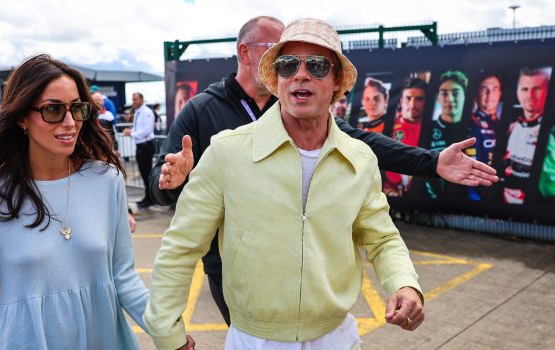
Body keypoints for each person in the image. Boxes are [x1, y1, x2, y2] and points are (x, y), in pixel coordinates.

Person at [150, 16, 498, 326]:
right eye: (286, 63)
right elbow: (179, 242)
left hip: (334, 332)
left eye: (317, 66)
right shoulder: (218, 136)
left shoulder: (353, 155)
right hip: (248, 310)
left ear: (337, 83)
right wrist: (173, 182)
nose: (300, 74)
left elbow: (381, 234)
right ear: (266, 68)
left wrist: (404, 283)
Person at [0, 55, 193, 350]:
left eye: (77, 108)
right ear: (22, 117)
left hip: (102, 339)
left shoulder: (107, 181)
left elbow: (123, 277)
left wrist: (169, 336)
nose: (70, 122)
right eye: (53, 109)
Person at [503, 67, 550, 204]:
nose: (530, 95)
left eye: (537, 88)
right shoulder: (510, 128)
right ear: (518, 93)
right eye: (525, 89)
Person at [425, 70, 469, 199]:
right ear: (438, 98)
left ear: (465, 96)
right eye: (444, 93)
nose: (449, 99)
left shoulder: (476, 128)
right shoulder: (427, 130)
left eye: (455, 93)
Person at [384, 77, 428, 196]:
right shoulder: (387, 128)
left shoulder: (433, 129)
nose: (413, 104)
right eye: (408, 98)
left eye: (419, 99)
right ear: (401, 101)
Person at [466, 73, 502, 201]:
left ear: (500, 94)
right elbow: (470, 169)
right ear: (476, 94)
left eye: (494, 89)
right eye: (484, 89)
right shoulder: (470, 123)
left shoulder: (505, 124)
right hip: (479, 194)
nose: (489, 94)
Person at [123, 92, 155, 208]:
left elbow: (146, 130)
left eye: (136, 99)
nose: (134, 102)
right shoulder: (138, 112)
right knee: (143, 173)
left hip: (146, 146)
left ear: (141, 99)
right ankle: (148, 197)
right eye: (133, 99)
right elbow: (139, 128)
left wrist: (131, 133)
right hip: (140, 146)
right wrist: (132, 131)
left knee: (147, 173)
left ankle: (150, 198)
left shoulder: (146, 112)